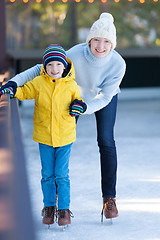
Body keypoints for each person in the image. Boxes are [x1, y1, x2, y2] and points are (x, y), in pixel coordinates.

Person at [0, 13, 126, 221]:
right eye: (96, 40)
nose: (100, 46)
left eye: (106, 42)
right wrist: (14, 82)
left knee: (106, 141)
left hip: (102, 98)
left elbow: (105, 96)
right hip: (70, 97)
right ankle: (54, 203)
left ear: (112, 44)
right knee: (57, 140)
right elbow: (41, 69)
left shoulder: (118, 64)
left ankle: (109, 199)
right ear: (89, 40)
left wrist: (84, 107)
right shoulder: (76, 54)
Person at [0, 44, 87, 227]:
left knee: (61, 174)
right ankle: (49, 207)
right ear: (44, 67)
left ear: (64, 66)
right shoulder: (39, 83)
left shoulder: (72, 86)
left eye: (57, 65)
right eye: (49, 65)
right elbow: (25, 91)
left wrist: (78, 106)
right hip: (44, 136)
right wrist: (12, 90)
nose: (54, 69)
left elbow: (79, 103)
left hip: (65, 137)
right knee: (47, 174)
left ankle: (64, 210)